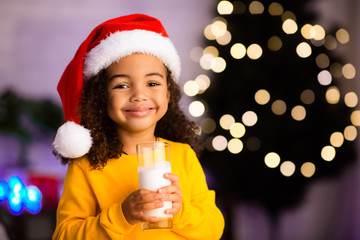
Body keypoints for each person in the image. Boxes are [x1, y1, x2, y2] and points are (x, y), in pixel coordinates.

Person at [52, 14, 224, 239]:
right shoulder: (86, 165)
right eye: (122, 85)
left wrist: (181, 212)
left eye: (152, 83)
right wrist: (122, 215)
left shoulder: (183, 156)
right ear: (101, 96)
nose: (139, 95)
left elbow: (214, 228)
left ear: (168, 93)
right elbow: (64, 235)